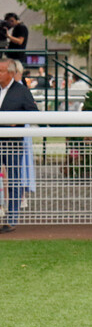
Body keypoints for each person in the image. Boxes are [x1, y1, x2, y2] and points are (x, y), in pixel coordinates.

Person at [0, 59, 39, 233]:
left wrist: (18, 122)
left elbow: (33, 114)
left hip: (13, 142)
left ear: (10, 73)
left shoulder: (22, 91)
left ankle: (12, 218)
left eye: (0, 71)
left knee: (14, 179)